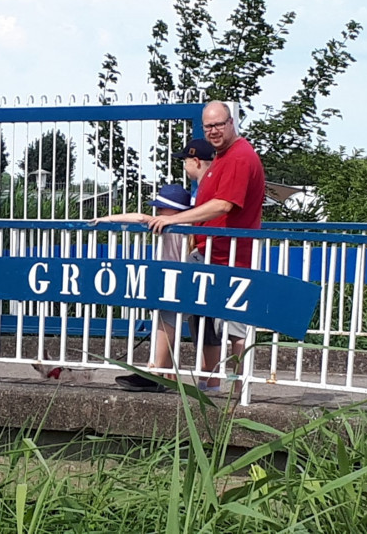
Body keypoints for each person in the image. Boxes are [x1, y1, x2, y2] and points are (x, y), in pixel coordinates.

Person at [148, 101, 266, 390]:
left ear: (231, 123)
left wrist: (177, 220)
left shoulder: (239, 157)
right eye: (208, 126)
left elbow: (224, 204)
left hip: (231, 256)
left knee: (234, 326)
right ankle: (160, 373)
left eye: (218, 124)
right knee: (177, 303)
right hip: (209, 252)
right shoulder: (223, 156)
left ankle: (238, 391)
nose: (213, 131)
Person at [91, 183, 193, 392]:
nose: (157, 212)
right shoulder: (192, 225)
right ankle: (167, 373)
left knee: (166, 324)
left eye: (162, 208)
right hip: (185, 277)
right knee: (171, 326)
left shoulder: (170, 224)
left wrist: (108, 219)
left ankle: (155, 373)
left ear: (174, 210)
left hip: (172, 278)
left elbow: (139, 218)